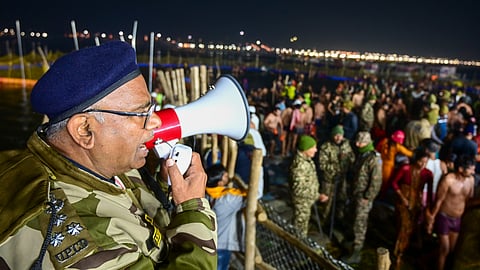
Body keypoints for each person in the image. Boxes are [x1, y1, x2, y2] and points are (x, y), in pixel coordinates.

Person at [0, 41, 217, 269]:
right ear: (84, 130)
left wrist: (162, 186)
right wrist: (193, 211)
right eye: (140, 113)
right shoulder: (88, 245)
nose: (155, 121)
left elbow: (128, 207)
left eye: (150, 109)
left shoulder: (97, 163)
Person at [426, 155, 476, 270]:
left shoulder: (471, 180)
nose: (473, 171)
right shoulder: (448, 180)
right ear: (460, 169)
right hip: (444, 217)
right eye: (471, 168)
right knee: (445, 248)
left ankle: (426, 260)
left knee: (450, 250)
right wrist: (431, 219)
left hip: (457, 219)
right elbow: (439, 200)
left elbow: (469, 200)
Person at [342, 131, 382, 264]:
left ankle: (356, 253)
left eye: (361, 142)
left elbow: (376, 182)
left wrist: (367, 197)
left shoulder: (373, 158)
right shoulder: (362, 155)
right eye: (357, 142)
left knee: (360, 224)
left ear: (367, 143)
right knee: (353, 219)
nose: (358, 144)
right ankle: (351, 244)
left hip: (363, 198)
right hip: (356, 194)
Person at [390, 148, 433, 269]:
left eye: (425, 162)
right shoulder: (406, 169)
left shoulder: (428, 174)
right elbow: (394, 183)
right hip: (403, 200)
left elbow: (429, 193)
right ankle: (398, 253)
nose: (423, 165)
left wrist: (429, 208)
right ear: (416, 160)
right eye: (421, 162)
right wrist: (402, 197)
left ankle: (400, 249)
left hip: (416, 203)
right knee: (403, 225)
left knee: (409, 228)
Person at [205, 163, 247, 270]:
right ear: (220, 183)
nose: (228, 175)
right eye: (224, 175)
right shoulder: (228, 199)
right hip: (221, 246)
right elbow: (255, 195)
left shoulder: (207, 193)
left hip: (209, 242)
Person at [317, 125, 355, 233]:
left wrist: (348, 162)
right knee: (327, 202)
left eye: (340, 135)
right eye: (336, 135)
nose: (338, 138)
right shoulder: (326, 147)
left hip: (342, 179)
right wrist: (336, 168)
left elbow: (352, 158)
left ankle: (339, 219)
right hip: (329, 180)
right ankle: (325, 222)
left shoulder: (346, 145)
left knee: (341, 199)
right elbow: (322, 164)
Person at [289, 135, 328, 237]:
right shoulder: (300, 165)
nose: (316, 150)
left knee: (302, 225)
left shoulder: (306, 160)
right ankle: (297, 249)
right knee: (299, 229)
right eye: (313, 147)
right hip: (302, 202)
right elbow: (299, 189)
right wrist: (317, 196)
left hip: (307, 200)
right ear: (306, 148)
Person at [375, 130, 413, 197]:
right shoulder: (397, 146)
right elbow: (409, 153)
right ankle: (380, 196)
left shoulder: (384, 141)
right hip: (389, 167)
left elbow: (377, 149)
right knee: (385, 183)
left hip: (379, 163)